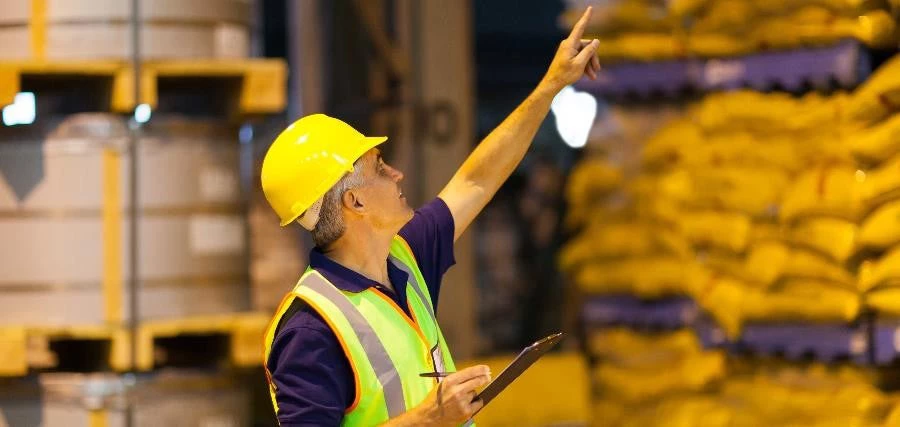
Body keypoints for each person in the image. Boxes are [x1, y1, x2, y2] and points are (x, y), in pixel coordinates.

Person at [261, 7, 601, 426]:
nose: (396, 173)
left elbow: (476, 180)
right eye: (380, 165)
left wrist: (550, 86)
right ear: (356, 203)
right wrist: (427, 419)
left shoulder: (404, 257)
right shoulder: (310, 329)